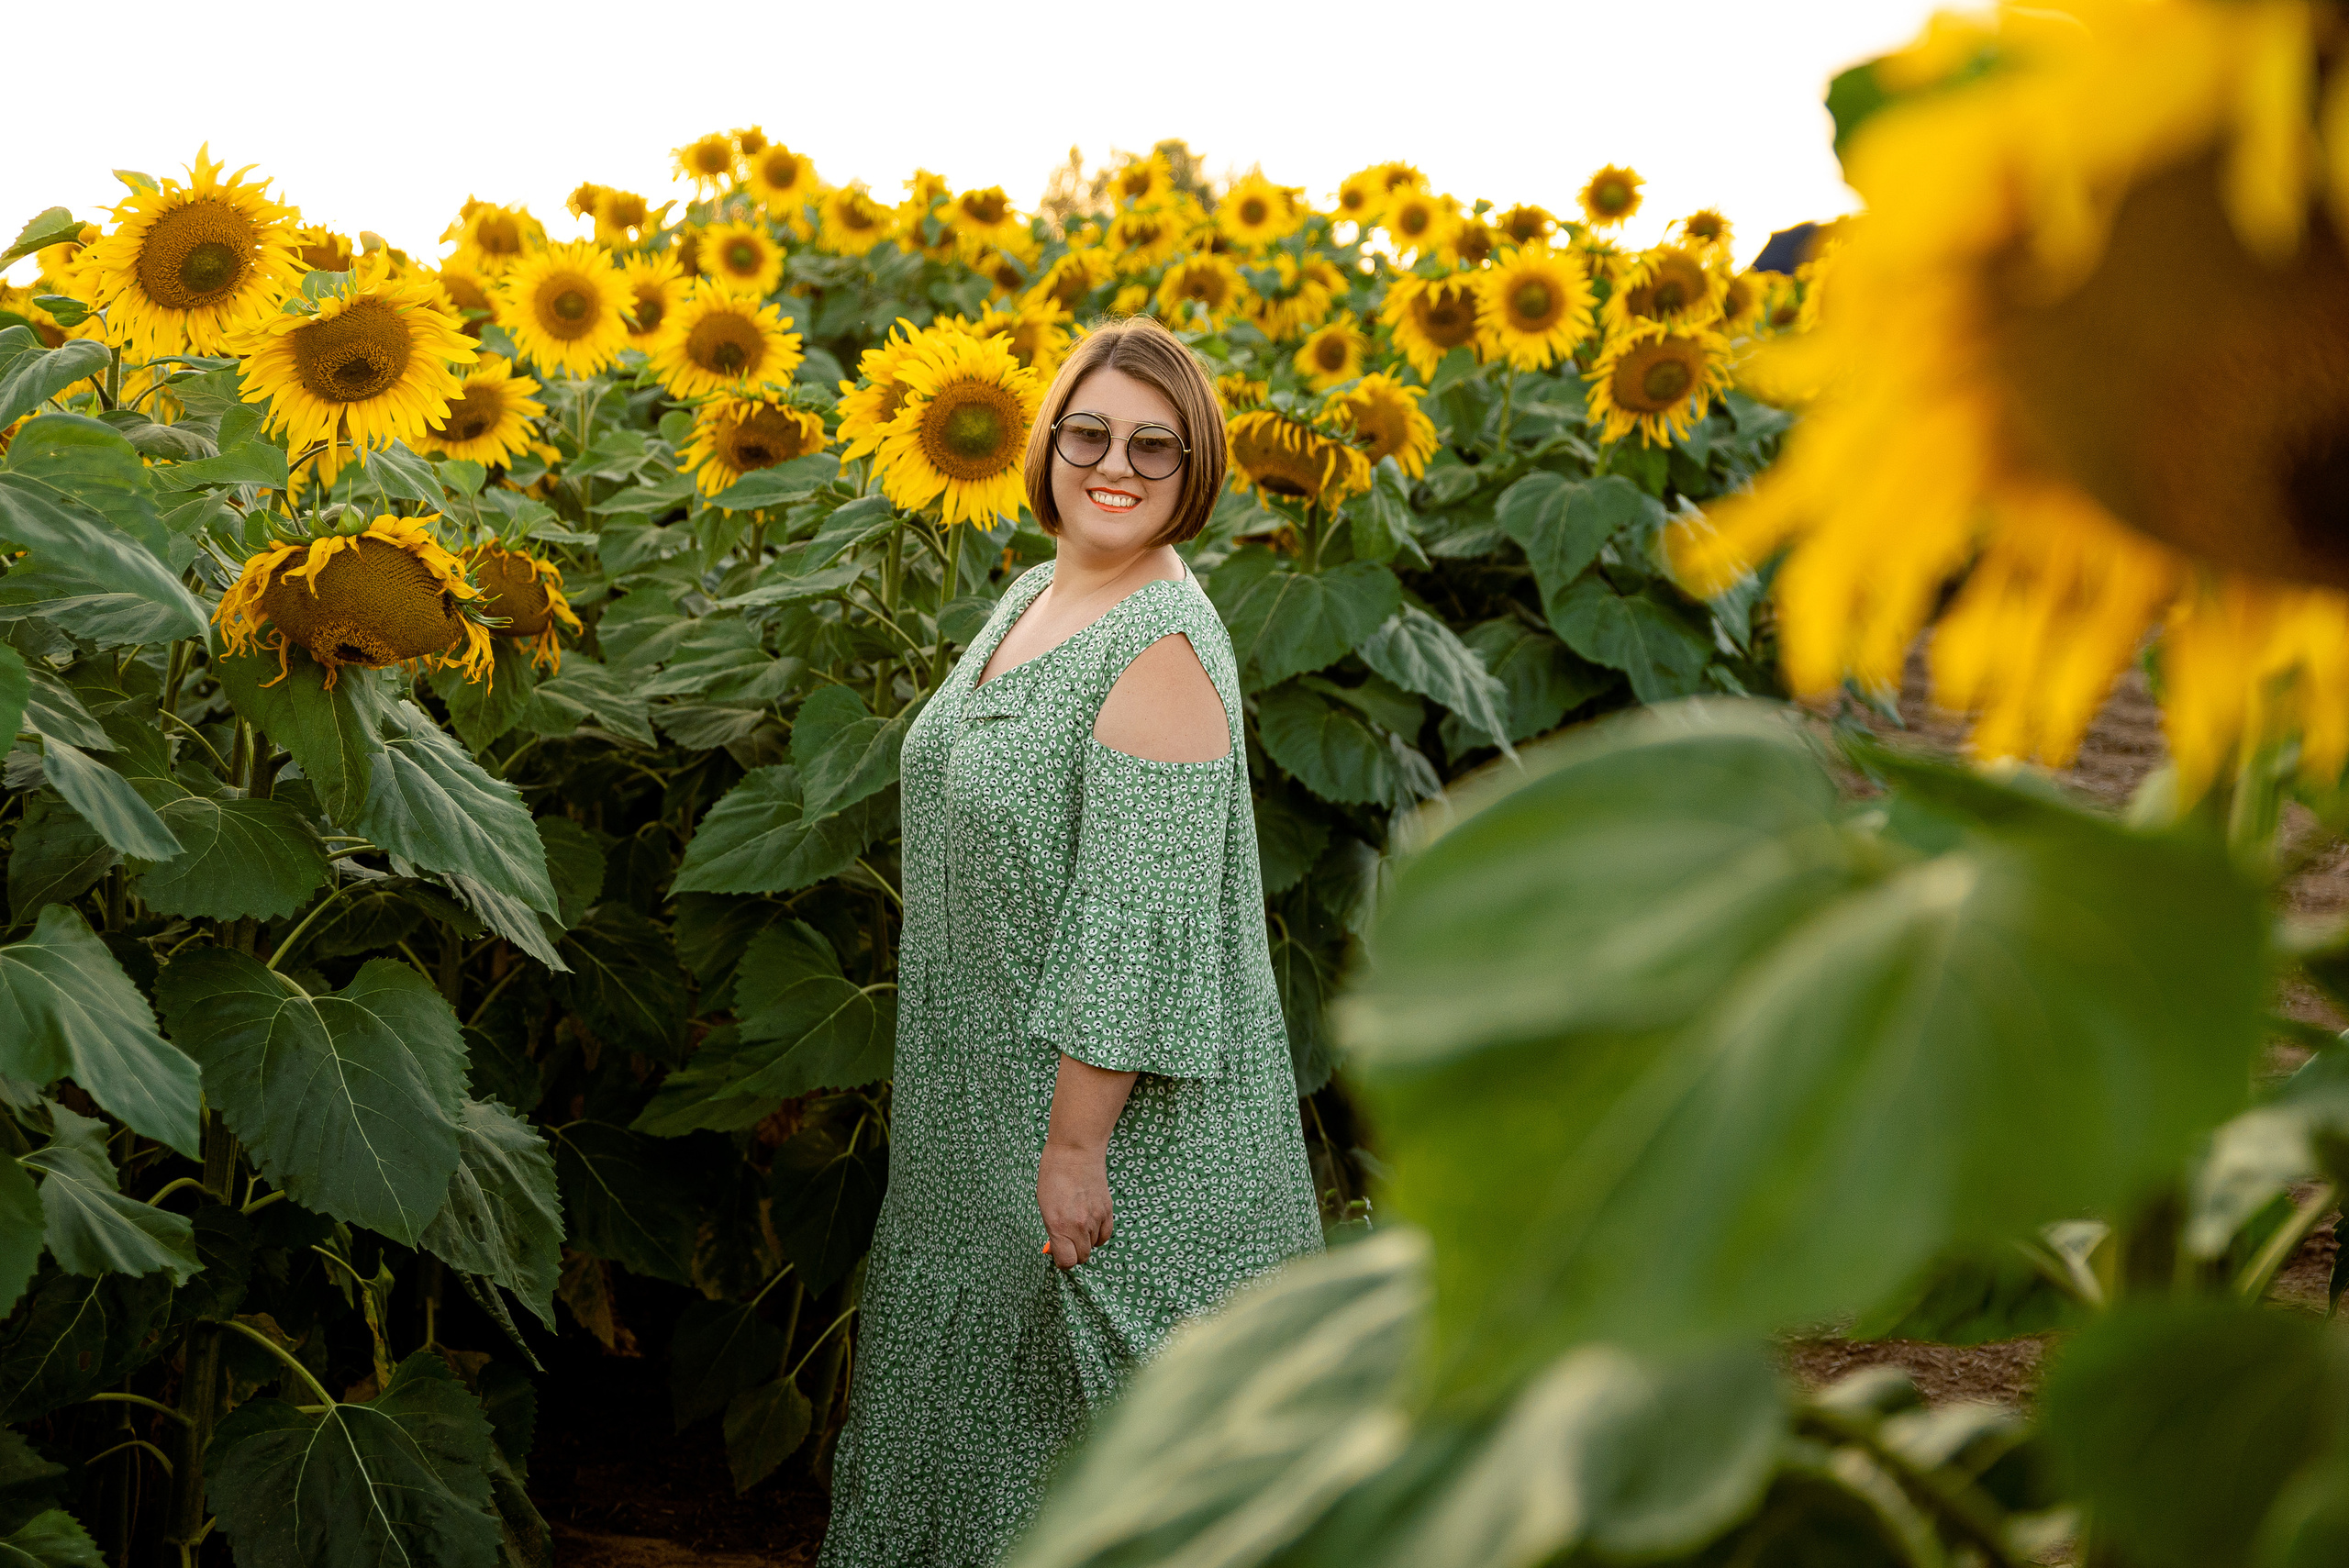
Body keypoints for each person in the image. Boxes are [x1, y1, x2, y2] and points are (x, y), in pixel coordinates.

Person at [818, 316, 1324, 1565]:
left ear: (1196, 467)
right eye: (1091, 432)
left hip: (1117, 1144)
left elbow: (1134, 926)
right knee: (1002, 1441)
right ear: (1045, 447)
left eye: (1157, 445)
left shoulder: (1160, 649)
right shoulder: (1033, 596)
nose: (1119, 464)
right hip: (983, 1105)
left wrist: (1074, 1146)